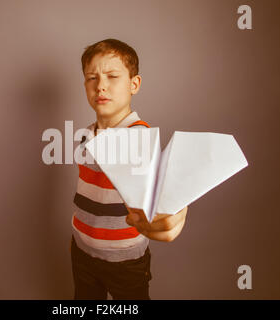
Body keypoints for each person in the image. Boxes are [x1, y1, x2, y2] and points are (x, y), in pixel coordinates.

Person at [71, 39, 188, 300]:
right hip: (81, 249)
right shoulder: (86, 134)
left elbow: (163, 190)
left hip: (123, 259)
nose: (100, 85)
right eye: (92, 77)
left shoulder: (140, 137)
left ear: (133, 84)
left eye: (112, 76)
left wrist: (177, 208)